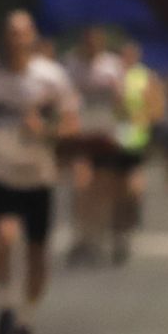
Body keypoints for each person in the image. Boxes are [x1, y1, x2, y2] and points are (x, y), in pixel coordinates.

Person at [0, 10, 80, 334]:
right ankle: (5, 304)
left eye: (24, 33)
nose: (18, 39)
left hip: (38, 177)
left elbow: (71, 123)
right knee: (4, 237)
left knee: (36, 256)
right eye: (12, 33)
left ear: (32, 37)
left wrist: (45, 130)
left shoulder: (51, 78)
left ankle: (25, 322)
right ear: (4, 37)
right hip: (1, 173)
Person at [62, 25, 123, 265]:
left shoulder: (112, 65)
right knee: (81, 184)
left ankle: (97, 235)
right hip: (80, 132)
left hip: (105, 131)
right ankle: (81, 237)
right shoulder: (70, 64)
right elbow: (64, 96)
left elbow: (120, 101)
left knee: (102, 187)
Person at [105, 41, 163, 264]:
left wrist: (146, 117)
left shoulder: (144, 77)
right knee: (116, 190)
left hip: (137, 138)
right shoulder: (113, 77)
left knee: (133, 186)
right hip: (114, 139)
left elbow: (156, 107)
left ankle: (131, 216)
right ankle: (118, 232)